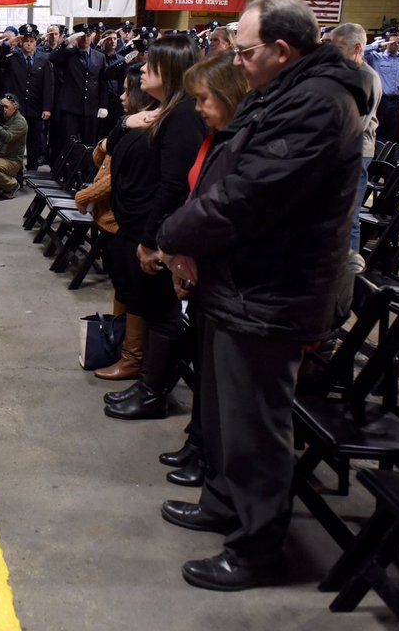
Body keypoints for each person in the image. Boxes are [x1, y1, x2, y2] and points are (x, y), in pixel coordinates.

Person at [156, 0, 363, 591]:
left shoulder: (318, 104)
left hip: (273, 291)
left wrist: (174, 233)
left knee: (257, 426)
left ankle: (256, 549)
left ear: (281, 49)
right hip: (242, 283)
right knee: (224, 414)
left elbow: (248, 196)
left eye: (245, 51)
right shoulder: (285, 91)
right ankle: (223, 502)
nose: (235, 60)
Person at [155, 53, 249, 489]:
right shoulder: (216, 137)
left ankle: (209, 457)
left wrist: (174, 243)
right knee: (204, 368)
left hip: (228, 275)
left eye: (204, 98)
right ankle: (198, 443)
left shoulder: (238, 143)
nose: (197, 107)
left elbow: (218, 210)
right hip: (203, 269)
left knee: (217, 382)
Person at [101, 34, 206, 421]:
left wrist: (150, 240)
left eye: (151, 64)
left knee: (162, 314)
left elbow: (174, 184)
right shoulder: (160, 110)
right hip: (134, 227)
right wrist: (127, 121)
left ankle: (154, 393)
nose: (142, 69)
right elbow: (111, 145)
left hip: (152, 233)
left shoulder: (181, 117)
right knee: (146, 307)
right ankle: (146, 382)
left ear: (171, 70)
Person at [87, 64, 151, 382]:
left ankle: (132, 358)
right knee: (123, 285)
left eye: (128, 90)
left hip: (133, 223)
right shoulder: (130, 124)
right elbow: (104, 152)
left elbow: (112, 169)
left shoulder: (149, 129)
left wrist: (85, 195)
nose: (122, 95)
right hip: (117, 220)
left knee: (134, 290)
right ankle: (120, 344)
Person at [327, 23, 382, 269]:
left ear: (357, 48)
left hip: (355, 153)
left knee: (350, 217)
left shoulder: (366, 78)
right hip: (337, 152)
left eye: (338, 48)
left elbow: (354, 123)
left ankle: (350, 275)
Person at [0, 24, 54, 170]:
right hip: (16, 108)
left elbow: (48, 85)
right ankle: (16, 170)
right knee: (15, 141)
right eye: (26, 40)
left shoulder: (43, 59)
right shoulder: (12, 56)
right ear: (21, 41)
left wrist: (47, 108)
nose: (28, 43)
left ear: (36, 42)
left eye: (32, 40)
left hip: (35, 106)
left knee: (34, 140)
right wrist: (8, 44)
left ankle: (32, 168)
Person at [363, 29, 399, 145]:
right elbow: (361, 51)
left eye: (398, 42)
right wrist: (377, 45)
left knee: (391, 132)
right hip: (380, 100)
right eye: (393, 42)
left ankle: (386, 157)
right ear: (386, 44)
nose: (396, 45)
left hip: (395, 102)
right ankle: (374, 156)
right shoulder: (376, 58)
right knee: (376, 130)